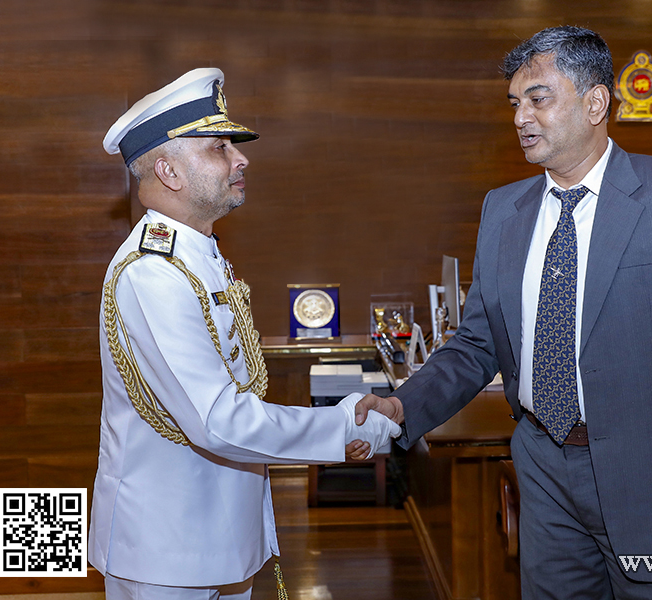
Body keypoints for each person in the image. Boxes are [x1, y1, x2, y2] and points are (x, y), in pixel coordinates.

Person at [354, 26, 652, 600]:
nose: (520, 117)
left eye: (538, 99)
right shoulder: (503, 209)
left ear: (596, 102)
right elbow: (477, 342)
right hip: (544, 472)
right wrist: (403, 404)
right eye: (514, 103)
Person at [89, 68, 399, 600]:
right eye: (219, 148)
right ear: (168, 171)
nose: (241, 159)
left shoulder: (198, 254)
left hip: (218, 535)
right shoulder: (152, 272)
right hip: (167, 552)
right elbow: (216, 419)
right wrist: (339, 427)